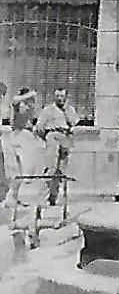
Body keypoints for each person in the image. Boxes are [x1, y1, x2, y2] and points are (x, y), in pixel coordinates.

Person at [4, 89, 50, 249]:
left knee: (34, 196)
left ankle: (31, 230)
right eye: (30, 101)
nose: (31, 105)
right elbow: (15, 103)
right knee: (25, 191)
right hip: (24, 148)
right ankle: (26, 231)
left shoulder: (29, 124)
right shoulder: (20, 119)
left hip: (34, 161)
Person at [35, 88, 78, 206]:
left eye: (62, 96)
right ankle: (41, 201)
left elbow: (74, 125)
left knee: (61, 171)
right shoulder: (48, 110)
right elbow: (38, 127)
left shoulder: (70, 110)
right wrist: (47, 136)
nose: (60, 98)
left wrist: (67, 116)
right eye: (57, 96)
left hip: (65, 138)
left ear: (66, 97)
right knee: (51, 169)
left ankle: (54, 196)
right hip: (53, 137)